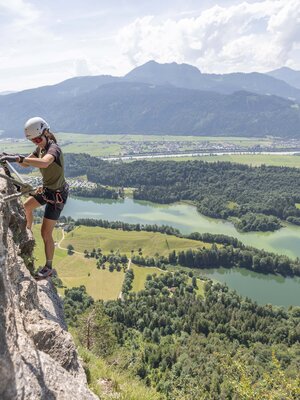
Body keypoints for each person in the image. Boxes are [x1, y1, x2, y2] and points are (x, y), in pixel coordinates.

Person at [0, 117, 69, 279]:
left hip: (57, 196)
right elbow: (26, 164)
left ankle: (49, 267)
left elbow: (44, 163)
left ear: (46, 133)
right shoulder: (41, 148)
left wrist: (18, 159)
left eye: (38, 139)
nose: (36, 142)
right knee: (27, 206)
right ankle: (28, 233)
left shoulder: (53, 149)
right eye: (33, 141)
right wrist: (11, 156)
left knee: (46, 233)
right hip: (47, 190)